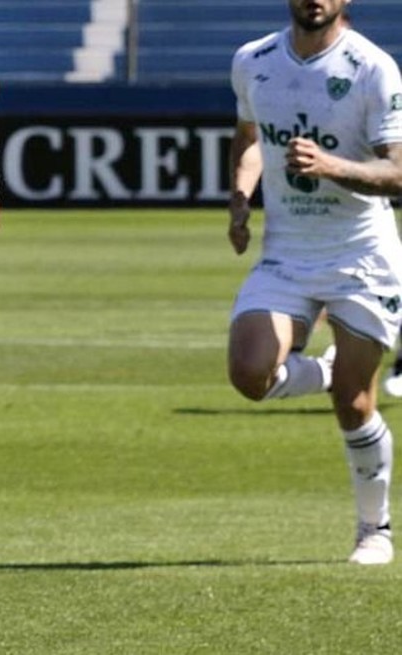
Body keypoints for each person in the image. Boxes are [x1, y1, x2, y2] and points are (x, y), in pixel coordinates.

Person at [227, 0, 402, 566]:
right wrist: (239, 197)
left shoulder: (373, 69)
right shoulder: (253, 60)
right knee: (250, 373)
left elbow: (398, 170)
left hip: (361, 256)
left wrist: (332, 167)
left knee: (354, 404)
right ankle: (323, 370)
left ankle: (374, 530)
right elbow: (250, 137)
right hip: (287, 251)